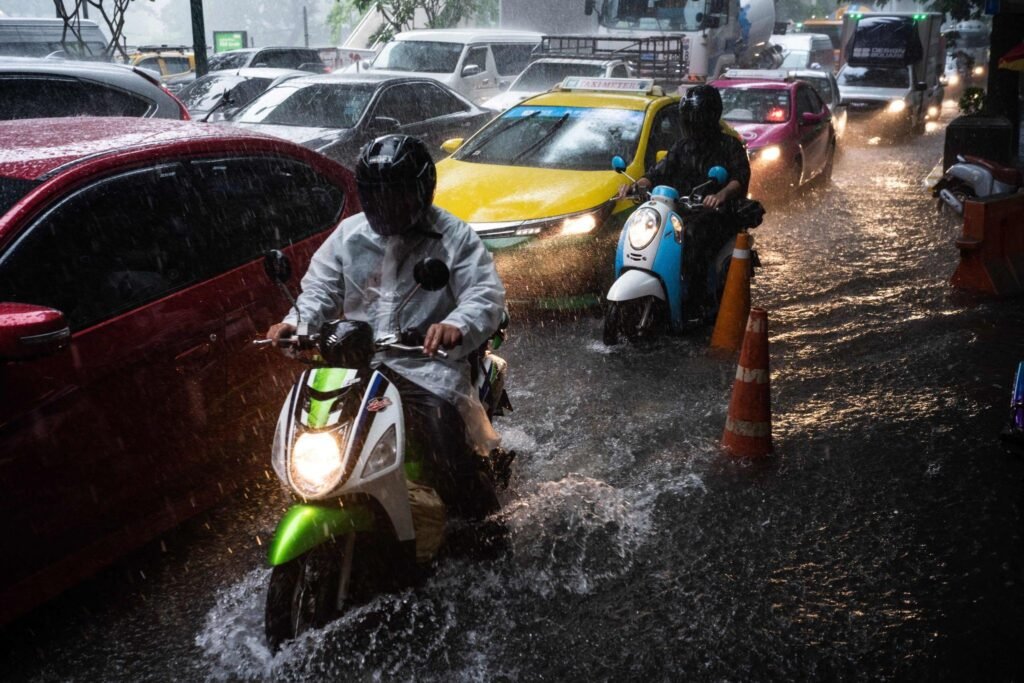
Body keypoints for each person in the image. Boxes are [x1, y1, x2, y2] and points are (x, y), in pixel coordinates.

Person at [265, 134, 506, 520]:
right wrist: (295, 324)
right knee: (310, 428)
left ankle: (484, 530)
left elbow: (484, 294)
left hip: (425, 366)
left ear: (421, 190)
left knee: (445, 451)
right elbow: (319, 292)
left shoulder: (454, 237)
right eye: (375, 195)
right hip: (353, 363)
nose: (385, 205)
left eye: (396, 194)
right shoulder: (348, 236)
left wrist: (455, 324)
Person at [619, 83, 751, 319]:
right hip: (682, 209)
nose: (692, 122)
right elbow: (657, 172)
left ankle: (696, 301)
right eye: (689, 117)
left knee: (691, 235)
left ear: (709, 116)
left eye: (696, 117)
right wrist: (637, 185)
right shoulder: (682, 146)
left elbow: (739, 178)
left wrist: (720, 195)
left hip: (718, 212)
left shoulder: (729, 145)